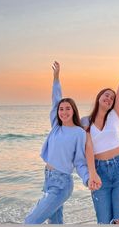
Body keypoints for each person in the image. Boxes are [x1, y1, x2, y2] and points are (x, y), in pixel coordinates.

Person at [25, 61, 100, 224]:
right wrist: (56, 77)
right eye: (61, 109)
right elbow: (56, 98)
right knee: (56, 223)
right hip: (48, 179)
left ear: (73, 111)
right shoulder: (56, 127)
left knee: (30, 221)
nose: (64, 111)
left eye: (68, 108)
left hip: (62, 184)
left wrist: (88, 179)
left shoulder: (79, 133)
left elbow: (80, 161)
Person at [81, 60, 119, 224]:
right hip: (99, 171)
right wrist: (92, 173)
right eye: (106, 95)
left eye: (112, 98)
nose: (109, 98)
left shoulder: (115, 116)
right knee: (103, 220)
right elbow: (88, 148)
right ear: (99, 98)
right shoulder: (85, 122)